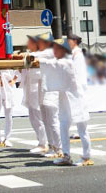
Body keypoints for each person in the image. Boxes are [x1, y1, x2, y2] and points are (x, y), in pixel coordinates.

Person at [38, 37, 93, 167]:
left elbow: (55, 65)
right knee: (63, 125)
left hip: (76, 97)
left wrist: (39, 61)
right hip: (65, 97)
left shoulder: (70, 60)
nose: (54, 51)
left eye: (56, 48)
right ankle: (66, 155)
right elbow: (51, 62)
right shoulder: (65, 59)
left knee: (82, 127)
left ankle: (86, 156)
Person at [32, 32, 62, 158]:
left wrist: (27, 55)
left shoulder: (51, 52)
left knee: (53, 120)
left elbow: (37, 55)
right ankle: (51, 147)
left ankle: (59, 149)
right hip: (44, 89)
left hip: (52, 90)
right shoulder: (47, 53)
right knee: (45, 120)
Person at [20, 36, 48, 154]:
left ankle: (44, 143)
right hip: (30, 90)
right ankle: (41, 141)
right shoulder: (30, 54)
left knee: (39, 116)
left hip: (38, 91)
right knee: (33, 117)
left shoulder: (44, 55)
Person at [0, 69, 19, 147]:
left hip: (8, 90)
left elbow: (19, 69)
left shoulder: (8, 61)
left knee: (9, 115)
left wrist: (14, 80)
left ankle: (7, 138)